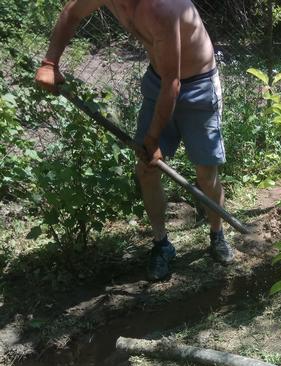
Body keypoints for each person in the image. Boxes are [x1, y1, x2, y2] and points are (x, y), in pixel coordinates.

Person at [35, 0, 235, 281]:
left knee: (205, 171)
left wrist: (152, 140)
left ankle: (217, 234)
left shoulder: (163, 8)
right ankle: (161, 244)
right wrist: (49, 62)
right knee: (146, 169)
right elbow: (71, 13)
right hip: (159, 82)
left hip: (197, 86)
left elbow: (173, 84)